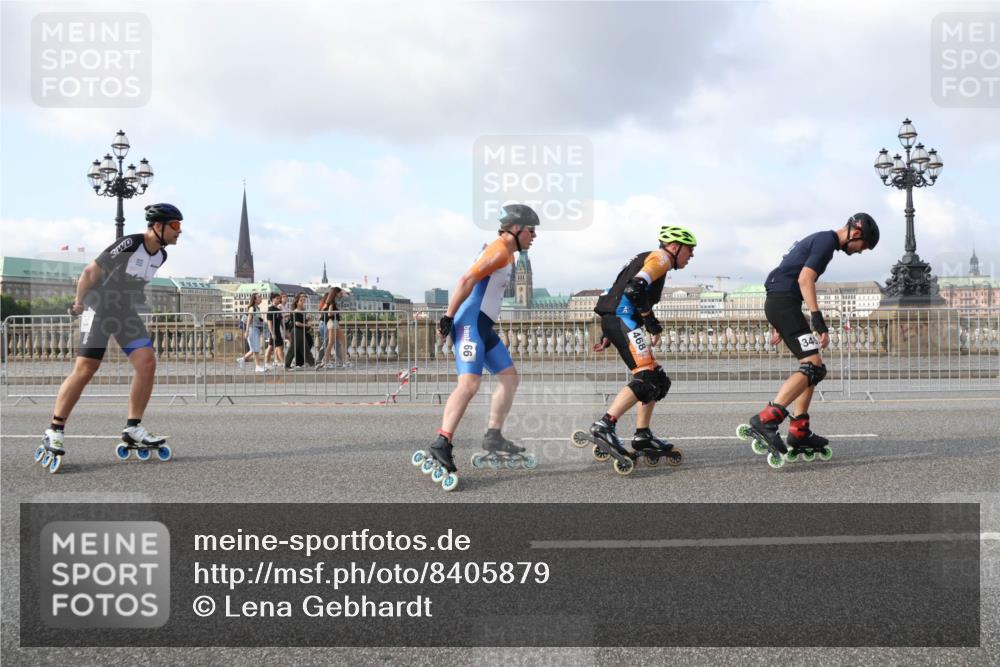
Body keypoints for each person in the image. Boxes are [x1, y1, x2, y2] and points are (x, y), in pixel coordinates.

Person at [36, 203, 183, 473]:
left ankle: (133, 428)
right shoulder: (129, 244)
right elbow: (91, 272)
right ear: (157, 226)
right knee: (86, 368)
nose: (179, 231)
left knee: (147, 362)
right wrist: (78, 303)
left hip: (123, 311)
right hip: (98, 306)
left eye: (180, 226)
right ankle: (54, 429)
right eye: (175, 225)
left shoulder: (160, 256)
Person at [415, 204, 540, 491]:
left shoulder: (506, 253)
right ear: (517, 229)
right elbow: (466, 279)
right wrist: (447, 316)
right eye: (531, 231)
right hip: (470, 324)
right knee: (469, 385)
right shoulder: (498, 250)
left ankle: (493, 435)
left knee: (509, 378)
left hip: (483, 327)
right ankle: (441, 441)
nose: (534, 236)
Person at [739, 213, 880, 467]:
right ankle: (768, 419)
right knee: (812, 366)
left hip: (783, 304)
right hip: (784, 304)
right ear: (856, 233)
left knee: (815, 367)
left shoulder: (820, 239)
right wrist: (817, 319)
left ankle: (799, 430)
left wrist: (779, 321)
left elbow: (780, 271)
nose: (860, 252)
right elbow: (805, 279)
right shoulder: (826, 242)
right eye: (863, 247)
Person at [587, 225, 697, 475]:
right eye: (689, 251)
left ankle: (642, 435)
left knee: (657, 380)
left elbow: (617, 290)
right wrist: (651, 322)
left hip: (619, 319)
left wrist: (608, 331)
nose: (690, 256)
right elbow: (632, 289)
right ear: (674, 247)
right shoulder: (661, 259)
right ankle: (604, 425)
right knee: (646, 377)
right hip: (623, 319)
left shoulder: (646, 257)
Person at [285, 292, 315, 369]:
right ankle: (287, 365)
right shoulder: (295, 311)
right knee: (293, 348)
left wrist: (306, 319)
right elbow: (297, 323)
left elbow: (301, 321)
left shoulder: (301, 311)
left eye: (303, 300)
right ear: (297, 302)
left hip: (300, 331)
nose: (303, 302)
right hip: (296, 331)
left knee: (305, 348)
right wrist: (307, 325)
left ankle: (313, 363)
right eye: (301, 300)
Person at [322, 286, 350, 369]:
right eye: (340, 293)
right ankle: (325, 362)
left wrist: (345, 294)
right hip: (333, 323)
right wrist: (338, 311)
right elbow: (329, 313)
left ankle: (344, 362)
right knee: (331, 343)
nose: (341, 294)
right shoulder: (332, 302)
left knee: (343, 342)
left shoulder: (331, 301)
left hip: (335, 323)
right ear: (336, 293)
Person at [237, 293, 266, 372]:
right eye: (259, 297)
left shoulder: (257, 308)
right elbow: (249, 320)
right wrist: (246, 331)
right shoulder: (252, 308)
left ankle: (242, 359)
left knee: (254, 349)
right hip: (251, 329)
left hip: (255, 329)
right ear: (255, 300)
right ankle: (257, 366)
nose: (261, 298)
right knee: (255, 349)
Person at [263, 293, 285, 369]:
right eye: (277, 298)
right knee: (278, 347)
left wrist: (284, 329)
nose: (279, 300)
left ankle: (267, 363)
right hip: (274, 331)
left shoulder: (278, 310)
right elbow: (269, 322)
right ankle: (284, 363)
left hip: (278, 331)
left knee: (271, 347)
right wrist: (272, 333)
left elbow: (281, 321)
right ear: (272, 299)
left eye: (279, 298)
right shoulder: (270, 309)